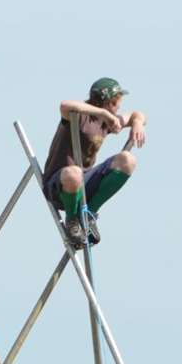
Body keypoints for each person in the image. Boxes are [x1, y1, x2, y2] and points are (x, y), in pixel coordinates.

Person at [42, 77, 146, 248]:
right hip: (60, 184)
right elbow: (64, 105)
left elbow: (138, 114)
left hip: (84, 182)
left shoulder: (109, 121)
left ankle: (88, 213)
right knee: (73, 172)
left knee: (128, 160)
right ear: (107, 102)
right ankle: (73, 221)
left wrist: (137, 123)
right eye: (116, 102)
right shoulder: (80, 116)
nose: (119, 107)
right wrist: (104, 114)